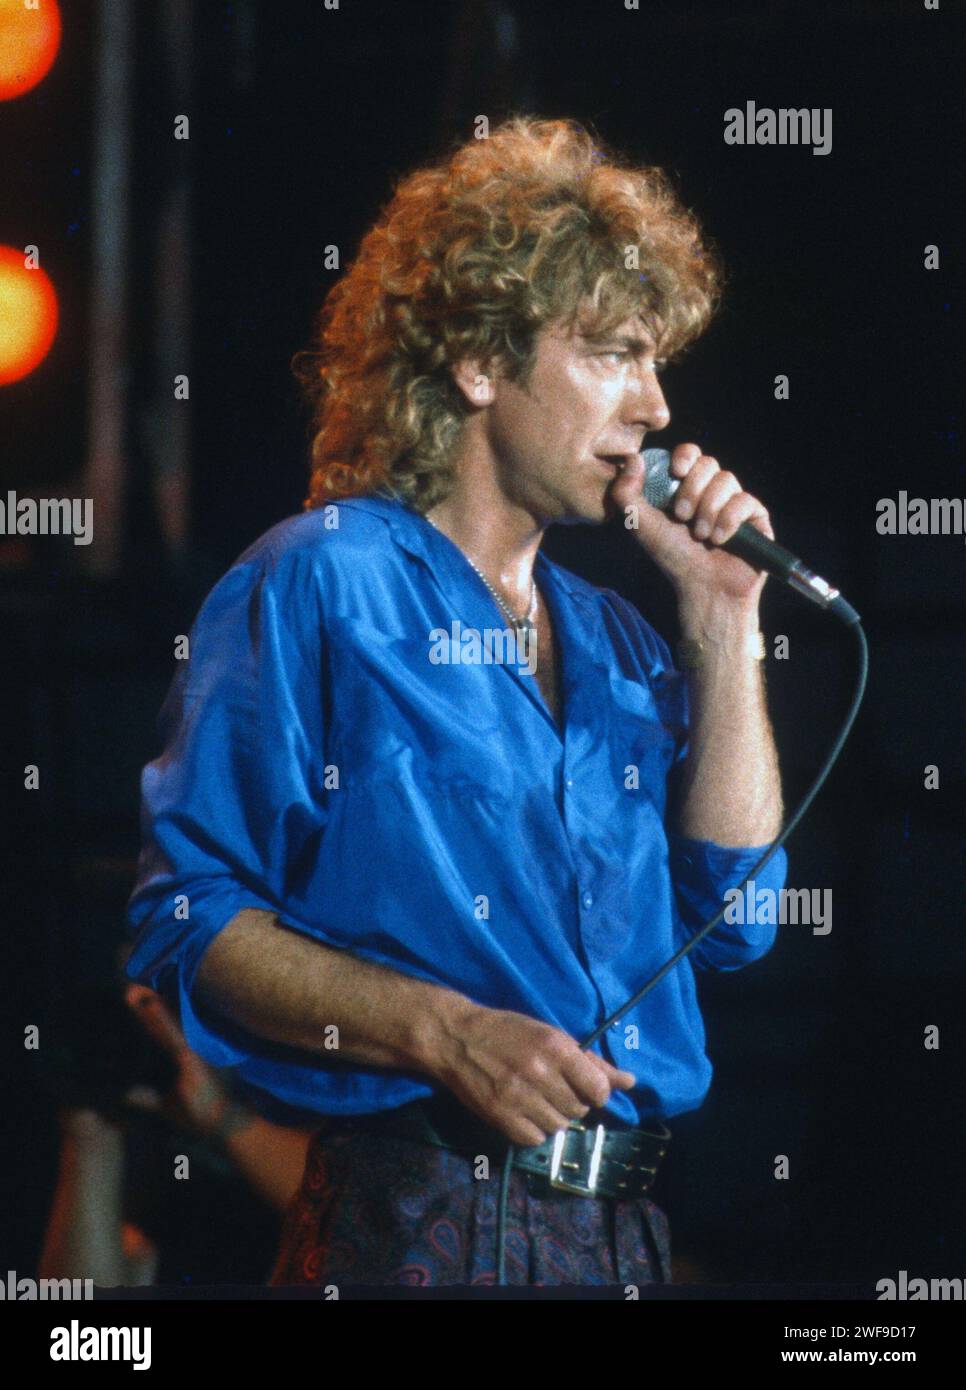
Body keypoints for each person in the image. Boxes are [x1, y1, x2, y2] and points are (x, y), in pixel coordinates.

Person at [125, 116, 787, 1289]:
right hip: (419, 1217)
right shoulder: (324, 578)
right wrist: (447, 1032)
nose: (655, 407)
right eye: (613, 354)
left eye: (657, 360)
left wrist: (726, 620)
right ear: (480, 362)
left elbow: (737, 918)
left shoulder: (623, 642)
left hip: (621, 1235)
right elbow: (190, 920)